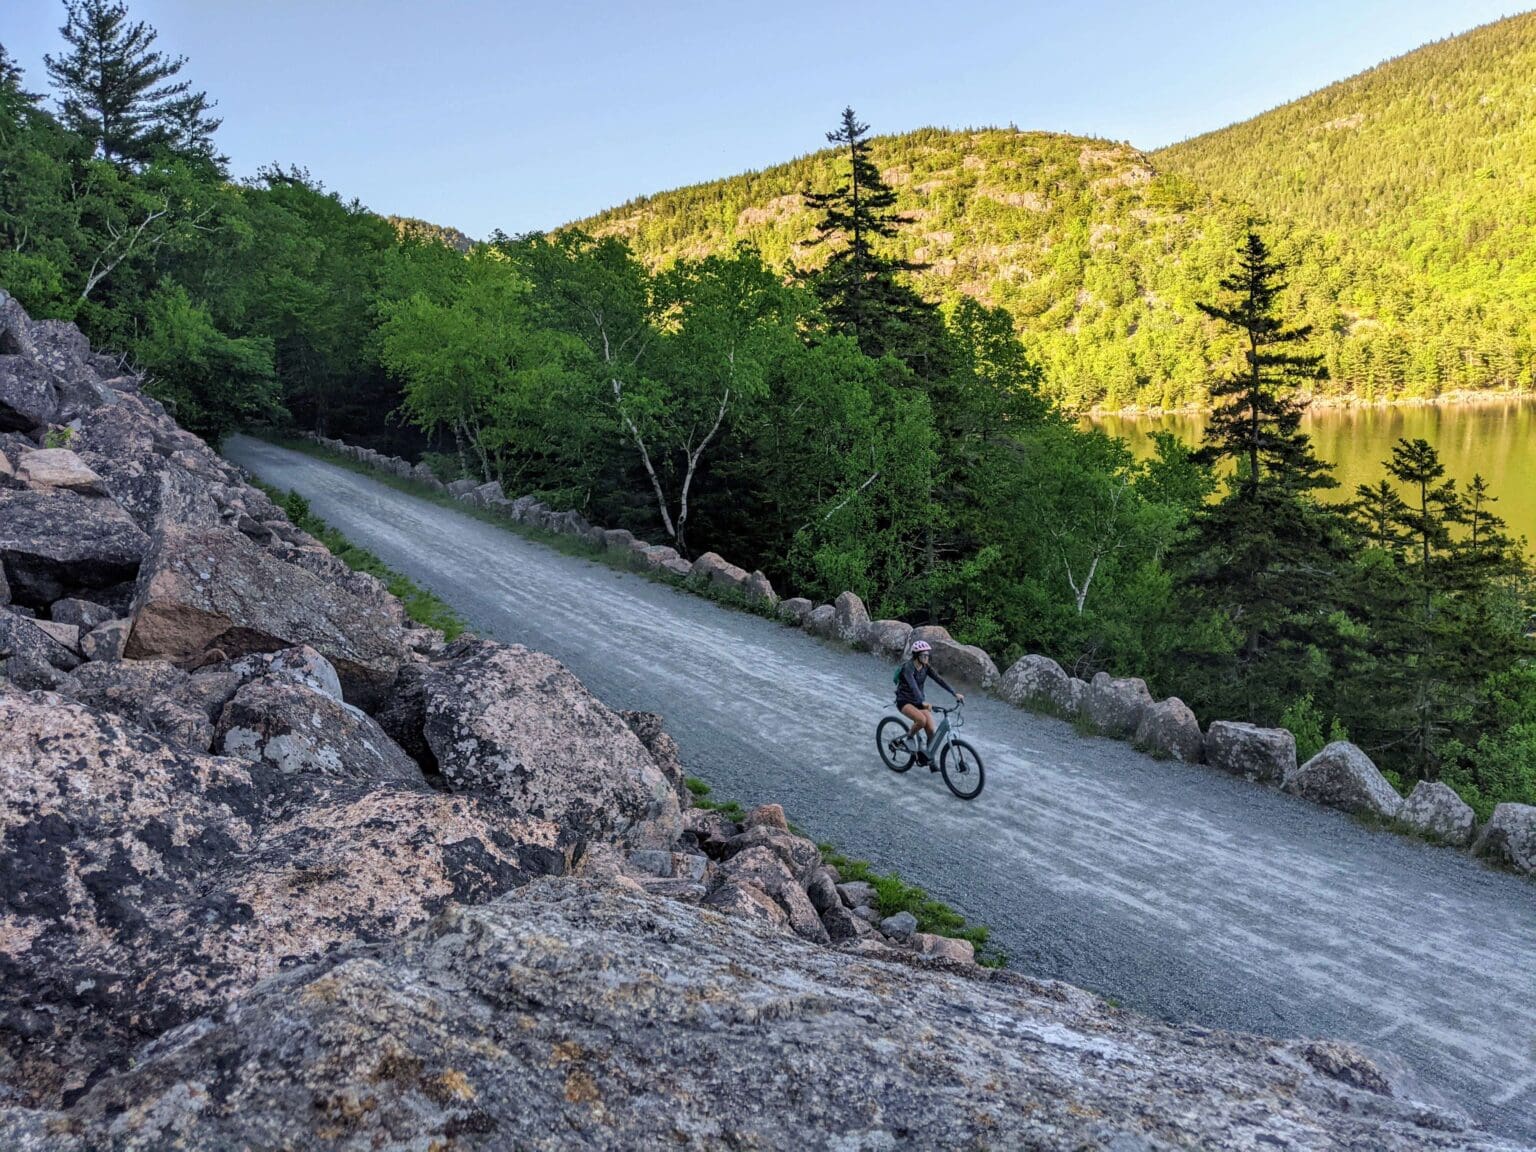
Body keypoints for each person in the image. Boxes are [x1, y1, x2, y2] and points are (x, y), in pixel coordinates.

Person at [894, 640, 963, 767]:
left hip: (919, 701)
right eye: (923, 655)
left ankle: (928, 757)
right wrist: (922, 702)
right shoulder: (908, 668)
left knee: (931, 729)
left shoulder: (926, 667)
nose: (926, 658)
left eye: (927, 655)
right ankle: (908, 737)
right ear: (916, 656)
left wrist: (954, 693)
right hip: (904, 701)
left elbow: (939, 679)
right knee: (921, 720)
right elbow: (913, 687)